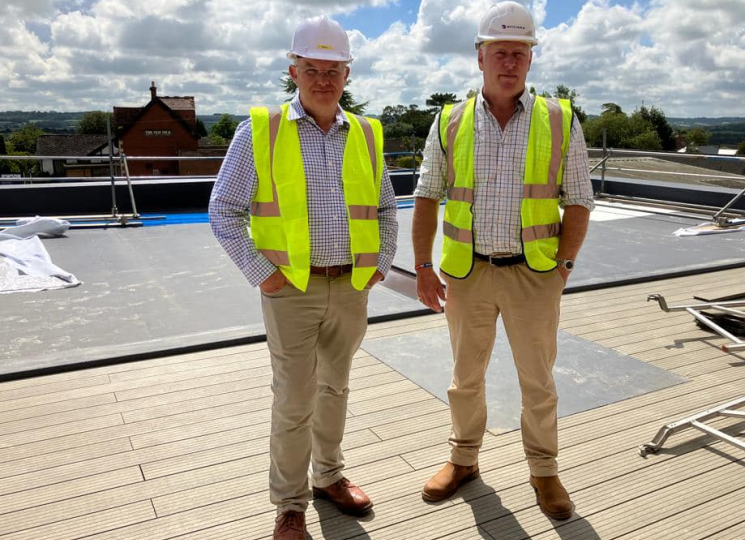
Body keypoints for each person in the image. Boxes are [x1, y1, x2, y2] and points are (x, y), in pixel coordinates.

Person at [208, 16, 397, 540]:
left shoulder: (365, 132)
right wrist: (261, 273)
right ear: (293, 71)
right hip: (290, 288)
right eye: (311, 69)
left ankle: (329, 478)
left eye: (332, 70)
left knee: (334, 387)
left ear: (346, 75)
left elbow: (385, 209)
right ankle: (289, 504)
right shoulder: (260, 132)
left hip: (351, 287)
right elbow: (222, 209)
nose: (322, 79)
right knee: (294, 398)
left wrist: (380, 264)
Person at [412, 1, 593, 521]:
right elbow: (427, 195)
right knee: (465, 376)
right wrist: (423, 267)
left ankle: (544, 469)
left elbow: (579, 198)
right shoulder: (449, 121)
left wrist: (564, 266)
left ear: (530, 60)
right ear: (480, 57)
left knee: (538, 379)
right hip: (468, 274)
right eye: (500, 52)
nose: (509, 62)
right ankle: (463, 459)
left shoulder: (559, 120)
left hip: (533, 274)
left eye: (519, 53)